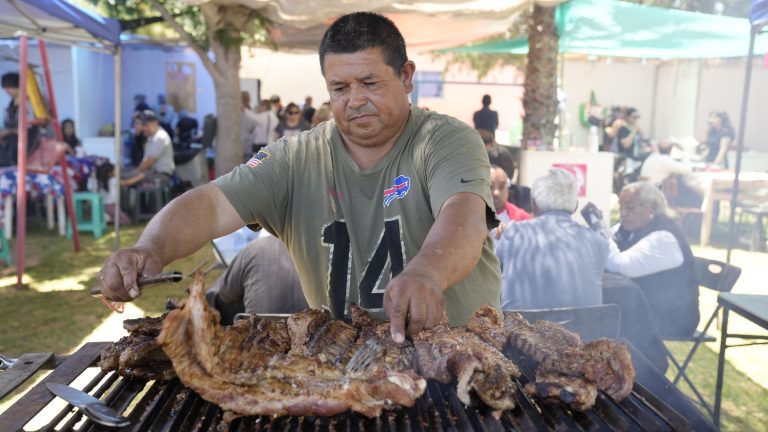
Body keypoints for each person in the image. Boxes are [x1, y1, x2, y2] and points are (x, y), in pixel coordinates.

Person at [98, 12, 501, 343]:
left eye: (370, 83)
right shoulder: (294, 159)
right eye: (340, 87)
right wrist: (150, 250)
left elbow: (463, 216)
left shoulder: (446, 140)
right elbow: (211, 203)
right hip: (345, 367)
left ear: (406, 77)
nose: (355, 99)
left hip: (458, 354)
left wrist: (427, 273)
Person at [495, 168, 608, 310]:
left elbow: (491, 272)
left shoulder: (513, 233)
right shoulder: (598, 243)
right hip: (584, 331)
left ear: (533, 203)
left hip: (522, 330)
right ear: (575, 206)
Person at [605, 181, 699, 338]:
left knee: (597, 319)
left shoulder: (664, 237)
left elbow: (622, 266)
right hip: (643, 310)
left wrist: (600, 232)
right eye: (621, 207)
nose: (623, 213)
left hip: (672, 319)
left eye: (630, 208)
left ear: (653, 209)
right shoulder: (628, 228)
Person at [206, 232, 309, 324]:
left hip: (258, 338)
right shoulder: (319, 254)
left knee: (223, 297)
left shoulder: (256, 248)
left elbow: (225, 295)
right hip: (312, 334)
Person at [1, 72, 45, 166]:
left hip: (27, 140)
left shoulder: (27, 103)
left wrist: (8, 131)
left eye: (8, 87)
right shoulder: (10, 105)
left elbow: (28, 128)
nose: (6, 91)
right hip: (12, 140)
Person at [122, 110, 175, 186]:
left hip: (161, 174)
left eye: (147, 125)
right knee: (125, 174)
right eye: (143, 125)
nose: (145, 128)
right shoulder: (151, 137)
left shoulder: (160, 137)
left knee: (128, 180)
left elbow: (148, 162)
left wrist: (134, 173)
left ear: (155, 123)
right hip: (152, 172)